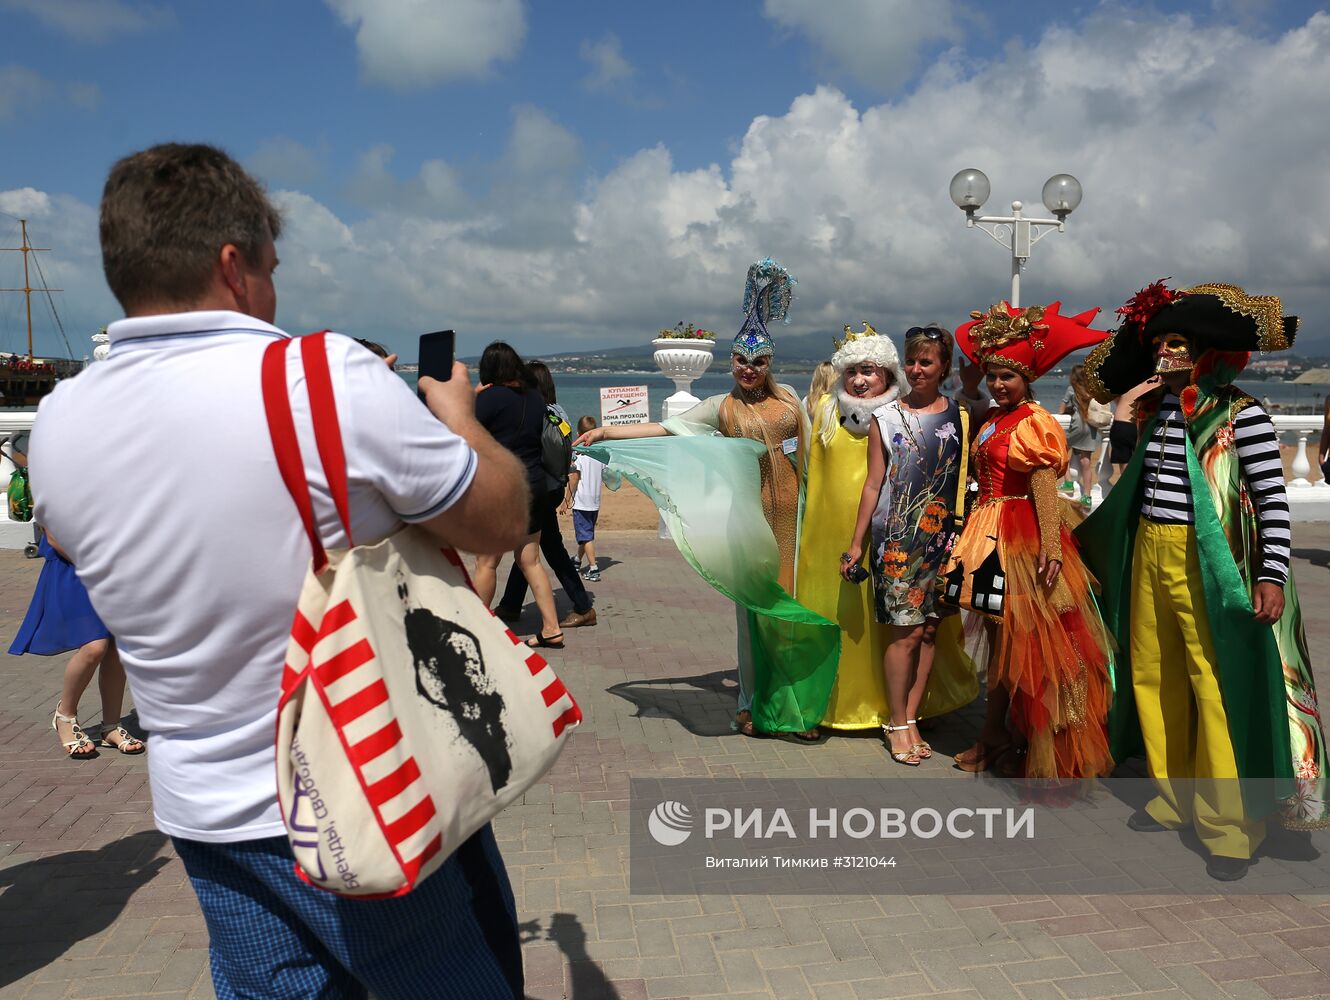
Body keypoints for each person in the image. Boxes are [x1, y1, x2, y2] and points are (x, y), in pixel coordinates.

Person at [29, 143, 531, 998]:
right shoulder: (318, 378)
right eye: (271, 265)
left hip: (201, 811)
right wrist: (459, 422)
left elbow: (75, 549)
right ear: (234, 265)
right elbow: (502, 517)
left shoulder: (59, 420)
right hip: (358, 787)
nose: (274, 287)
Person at [1078, 280, 1329, 881]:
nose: (1166, 355)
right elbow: (1125, 475)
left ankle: (1230, 825)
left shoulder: (1244, 415)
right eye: (1160, 344)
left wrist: (1270, 574)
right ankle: (1173, 796)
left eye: (1178, 344)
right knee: (1152, 671)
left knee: (1212, 683)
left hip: (1210, 566)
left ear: (1209, 355)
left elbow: (1271, 501)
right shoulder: (1153, 411)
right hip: (1150, 556)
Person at [576, 259, 837, 741]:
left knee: (792, 615)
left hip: (797, 525)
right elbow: (666, 428)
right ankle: (751, 705)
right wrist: (608, 432)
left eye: (758, 362)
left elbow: (820, 454)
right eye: (741, 360)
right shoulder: (721, 407)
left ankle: (796, 708)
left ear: (770, 364)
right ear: (731, 361)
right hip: (750, 524)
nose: (749, 370)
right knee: (754, 619)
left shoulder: (791, 404)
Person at [944, 300, 1115, 780]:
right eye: (993, 375)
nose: (999, 384)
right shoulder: (998, 417)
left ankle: (1000, 735)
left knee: (1024, 647)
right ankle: (999, 732)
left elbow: (1043, 487)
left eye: (1007, 378)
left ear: (1027, 381)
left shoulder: (1032, 422)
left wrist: (1052, 550)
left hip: (1022, 540)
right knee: (1003, 643)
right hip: (991, 534)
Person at [798, 322, 976, 763]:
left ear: (942, 367)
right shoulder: (873, 417)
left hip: (943, 539)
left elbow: (968, 473)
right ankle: (898, 722)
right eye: (912, 361)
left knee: (929, 631)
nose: (918, 369)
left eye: (926, 362)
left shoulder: (962, 414)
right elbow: (873, 485)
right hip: (895, 540)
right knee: (904, 633)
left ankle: (911, 717)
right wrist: (856, 543)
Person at [10, 528, 144, 758]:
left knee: (115, 648)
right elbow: (53, 533)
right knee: (95, 647)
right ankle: (65, 716)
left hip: (114, 568)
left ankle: (111, 727)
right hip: (73, 569)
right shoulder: (54, 490)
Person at [471, 344, 567, 649]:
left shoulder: (488, 399)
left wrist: (473, 397)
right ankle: (551, 628)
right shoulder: (535, 398)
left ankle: (478, 629)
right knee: (530, 560)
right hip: (534, 484)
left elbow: (463, 432)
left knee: (486, 562)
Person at [494, 361, 596, 629]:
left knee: (547, 547)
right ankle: (510, 604)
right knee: (529, 543)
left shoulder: (534, 412)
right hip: (554, 487)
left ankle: (583, 606)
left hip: (537, 489)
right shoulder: (559, 412)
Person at [565, 415, 604, 581]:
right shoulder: (600, 453)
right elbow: (607, 472)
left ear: (579, 432)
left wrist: (566, 500)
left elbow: (574, 479)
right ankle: (577, 559)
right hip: (595, 500)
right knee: (586, 533)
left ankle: (594, 568)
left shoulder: (577, 454)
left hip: (581, 501)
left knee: (585, 536)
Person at [1059, 364, 1100, 499]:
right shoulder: (1092, 390)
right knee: (1086, 461)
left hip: (1077, 425)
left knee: (1062, 451)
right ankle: (1087, 496)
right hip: (1091, 427)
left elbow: (1062, 408)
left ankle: (1069, 482)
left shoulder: (1072, 389)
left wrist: (1062, 414)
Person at [1109, 376, 1158, 478]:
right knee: (1134, 462)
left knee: (1124, 464)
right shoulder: (1150, 384)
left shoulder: (1129, 385)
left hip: (1119, 424)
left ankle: (1124, 487)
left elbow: (1116, 398)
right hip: (1132, 425)